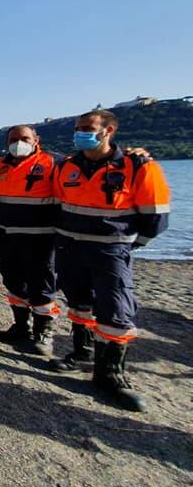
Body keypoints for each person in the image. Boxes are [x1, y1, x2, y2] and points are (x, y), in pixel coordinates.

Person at [50, 109, 169, 412]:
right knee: (79, 302)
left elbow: (155, 217)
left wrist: (128, 246)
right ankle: (82, 352)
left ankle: (110, 374)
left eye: (87, 128)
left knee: (116, 310)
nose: (80, 133)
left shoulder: (138, 165)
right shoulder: (66, 166)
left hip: (110, 251)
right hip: (70, 248)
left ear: (109, 131)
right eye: (78, 128)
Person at [0, 126, 61, 356]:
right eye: (13, 139)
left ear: (36, 140)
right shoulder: (0, 166)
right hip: (8, 236)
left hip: (41, 238)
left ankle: (44, 333)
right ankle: (21, 326)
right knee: (13, 282)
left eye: (24, 138)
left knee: (42, 286)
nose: (18, 143)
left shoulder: (54, 163)